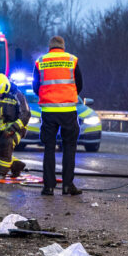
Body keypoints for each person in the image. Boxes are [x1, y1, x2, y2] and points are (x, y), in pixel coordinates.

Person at [33, 35, 83, 196]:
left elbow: (35, 86)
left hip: (48, 111)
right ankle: (67, 185)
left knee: (49, 147)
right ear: (63, 46)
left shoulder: (41, 61)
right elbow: (79, 84)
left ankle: (48, 187)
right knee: (69, 147)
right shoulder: (72, 60)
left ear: (50, 47)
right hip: (68, 110)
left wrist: (48, 96)